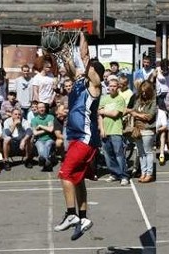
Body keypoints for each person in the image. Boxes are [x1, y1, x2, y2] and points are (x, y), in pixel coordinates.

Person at [52, 31, 101, 240]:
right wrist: (64, 48)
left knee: (64, 174)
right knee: (78, 179)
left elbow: (85, 57)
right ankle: (83, 218)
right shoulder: (79, 83)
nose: (85, 68)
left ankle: (71, 214)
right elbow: (72, 65)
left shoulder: (95, 87)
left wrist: (82, 37)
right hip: (76, 138)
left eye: (89, 68)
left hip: (85, 138)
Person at [98, 78, 129, 185]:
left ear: (118, 87)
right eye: (110, 86)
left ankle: (124, 176)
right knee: (108, 155)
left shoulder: (120, 99)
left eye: (114, 86)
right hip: (105, 131)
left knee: (119, 155)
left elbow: (115, 114)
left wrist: (103, 111)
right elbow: (100, 115)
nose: (112, 88)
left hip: (116, 130)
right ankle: (114, 173)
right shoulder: (104, 99)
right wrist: (101, 129)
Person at [31, 102, 56, 172]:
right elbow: (35, 133)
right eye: (40, 108)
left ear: (45, 108)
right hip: (39, 140)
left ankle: (43, 162)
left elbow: (51, 129)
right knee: (42, 151)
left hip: (49, 138)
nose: (41, 109)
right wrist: (46, 129)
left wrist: (40, 126)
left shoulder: (50, 117)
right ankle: (47, 163)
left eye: (43, 107)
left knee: (47, 145)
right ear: (37, 109)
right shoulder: (34, 120)